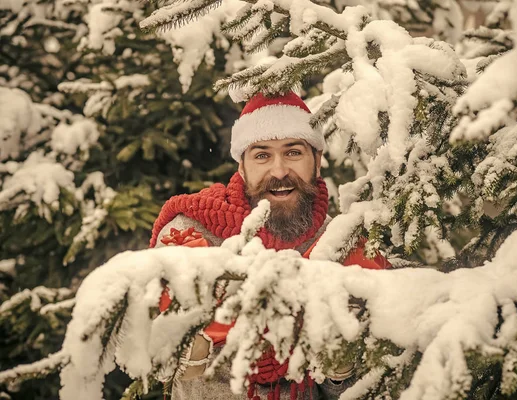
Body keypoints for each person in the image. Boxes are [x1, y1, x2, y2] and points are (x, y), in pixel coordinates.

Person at [149, 92, 390, 400]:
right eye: (262, 155)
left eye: (293, 153)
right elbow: (157, 360)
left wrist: (341, 370)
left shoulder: (341, 245)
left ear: (316, 162)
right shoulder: (192, 234)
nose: (278, 171)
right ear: (242, 167)